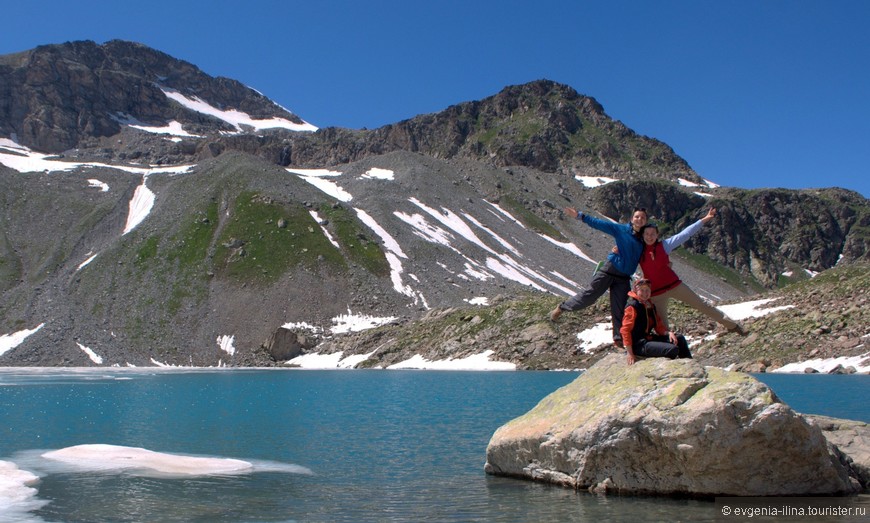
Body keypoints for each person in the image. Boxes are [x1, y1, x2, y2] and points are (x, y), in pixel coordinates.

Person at [550, 207, 648, 348]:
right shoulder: (621, 229)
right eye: (637, 217)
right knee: (589, 295)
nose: (640, 219)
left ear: (646, 221)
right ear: (632, 219)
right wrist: (580, 216)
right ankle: (562, 307)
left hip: (624, 278)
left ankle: (619, 339)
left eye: (643, 218)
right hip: (609, 270)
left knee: (620, 308)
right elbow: (600, 224)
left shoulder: (645, 238)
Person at [638, 207, 746, 335]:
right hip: (656, 293)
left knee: (702, 305)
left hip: (675, 286)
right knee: (661, 324)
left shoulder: (665, 245)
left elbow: (685, 234)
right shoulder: (638, 251)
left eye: (653, 234)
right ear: (642, 235)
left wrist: (704, 220)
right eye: (647, 234)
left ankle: (732, 325)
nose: (650, 237)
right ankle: (670, 348)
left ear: (657, 235)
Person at [621, 278, 691, 365]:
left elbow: (658, 326)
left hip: (647, 339)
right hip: (638, 344)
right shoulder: (632, 307)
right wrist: (630, 352)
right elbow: (625, 330)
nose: (645, 293)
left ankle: (689, 364)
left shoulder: (650, 305)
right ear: (635, 291)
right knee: (672, 349)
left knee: (679, 339)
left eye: (647, 290)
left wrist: (668, 333)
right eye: (641, 290)